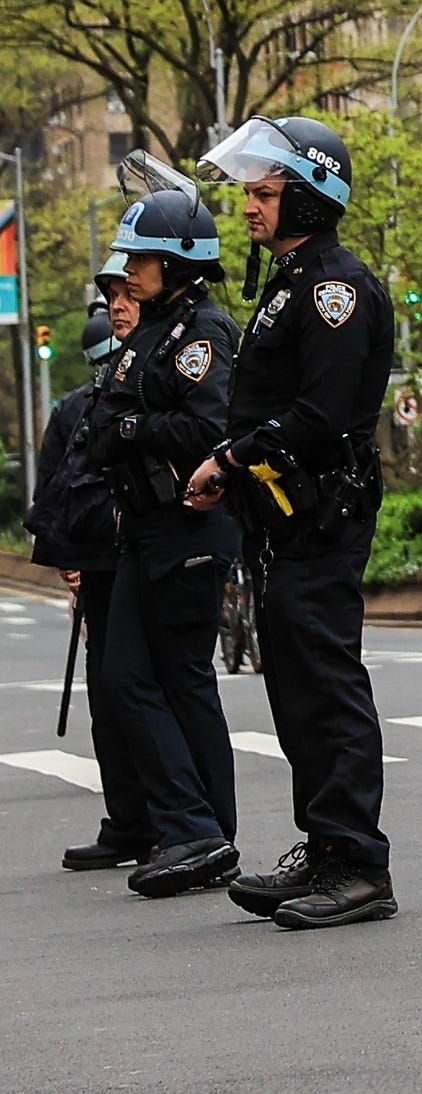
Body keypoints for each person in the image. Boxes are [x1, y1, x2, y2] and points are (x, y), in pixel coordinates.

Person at [188, 117, 398, 930]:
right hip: (282, 517)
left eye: (266, 192)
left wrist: (231, 458)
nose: (248, 205)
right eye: (250, 190)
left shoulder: (333, 288)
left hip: (320, 513)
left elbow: (320, 412)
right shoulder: (287, 281)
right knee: (293, 686)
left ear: (308, 196)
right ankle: (323, 845)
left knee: (327, 684)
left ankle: (358, 863)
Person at [84, 185, 242, 899]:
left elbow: (203, 427)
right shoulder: (153, 331)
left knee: (174, 677)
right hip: (144, 529)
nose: (129, 272)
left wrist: (129, 430)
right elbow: (108, 413)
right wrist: (122, 427)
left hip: (187, 525)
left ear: (180, 262)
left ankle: (198, 829)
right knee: (132, 677)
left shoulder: (203, 333)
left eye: (141, 259)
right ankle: (198, 825)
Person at [25, 289, 150, 870]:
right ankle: (138, 821)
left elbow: (49, 497)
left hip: (137, 559)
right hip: (109, 565)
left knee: (125, 691)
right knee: (119, 692)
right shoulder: (79, 408)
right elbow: (55, 492)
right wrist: (73, 561)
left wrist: (68, 560)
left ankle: (155, 821)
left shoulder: (133, 395)